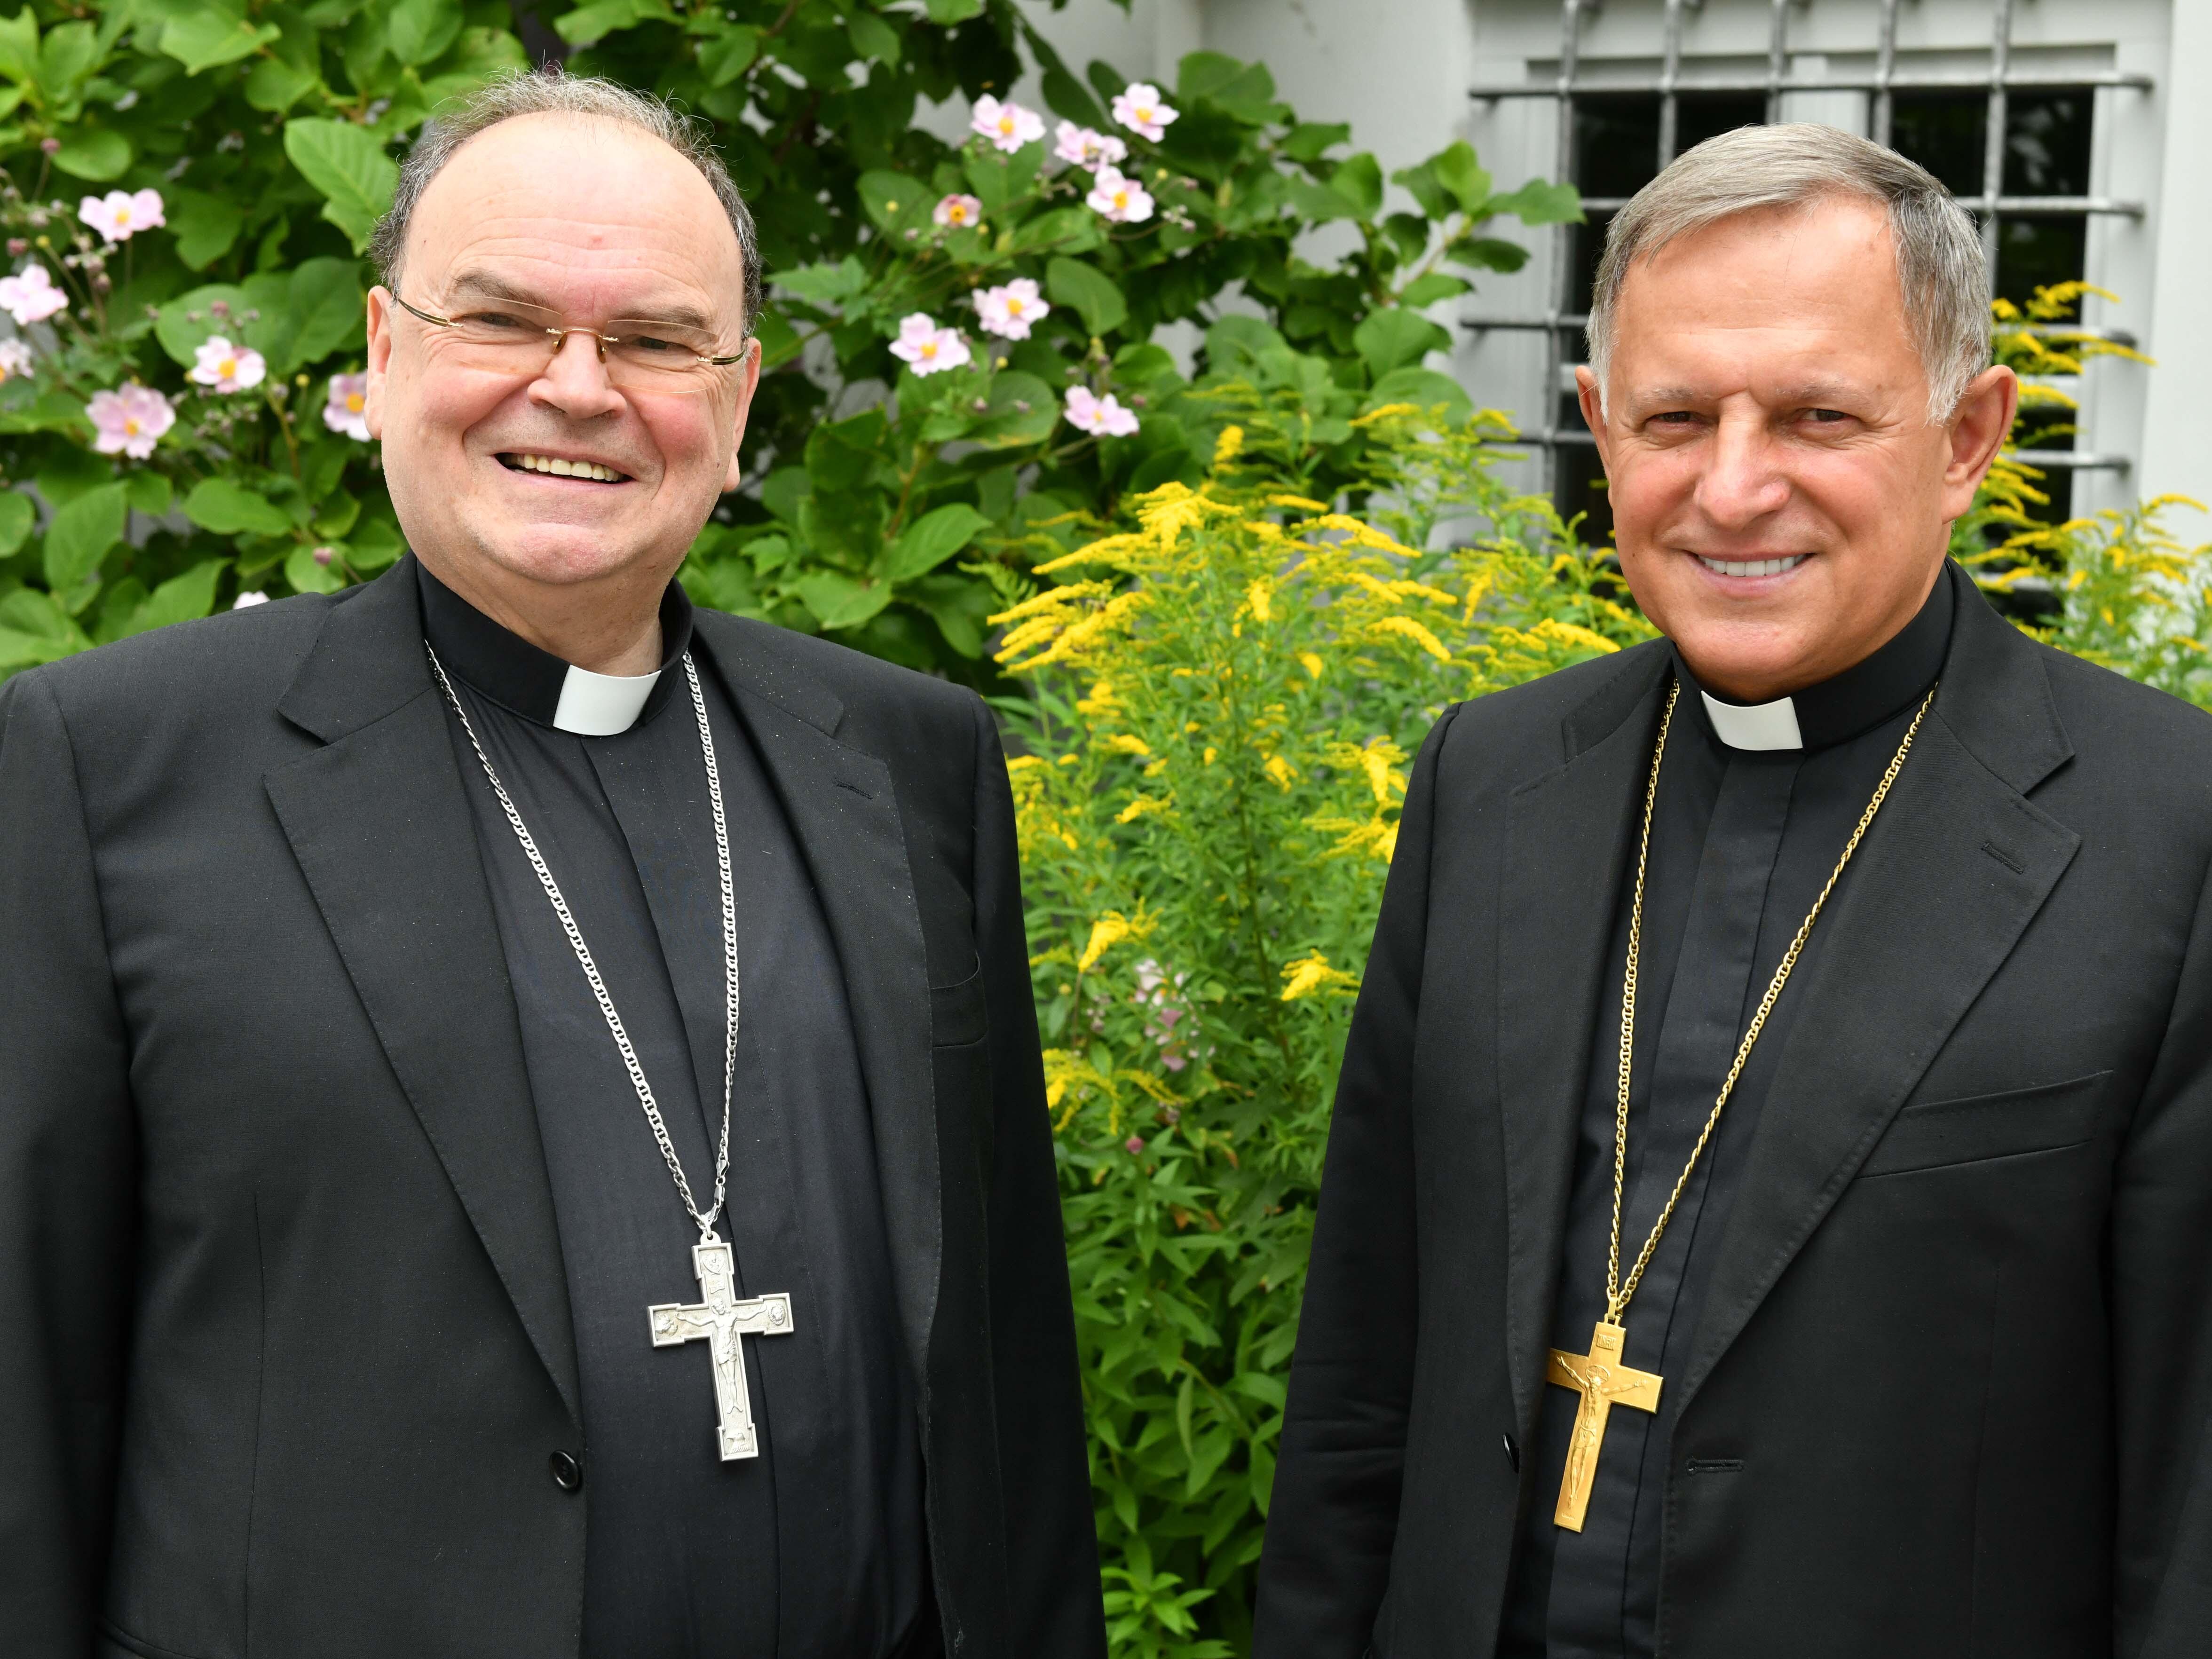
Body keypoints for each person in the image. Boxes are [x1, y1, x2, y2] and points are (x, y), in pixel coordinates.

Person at [0, 71, 1103, 1659]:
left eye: (654, 341)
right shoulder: (110, 770)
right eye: (503, 320)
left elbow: (1006, 1381)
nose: (577, 389)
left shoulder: (907, 757)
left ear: (737, 400)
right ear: (385, 352)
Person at [1252, 123, 2212, 1657]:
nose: (1736, 486)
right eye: (1677, 417)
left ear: (1968, 437)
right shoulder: (1493, 780)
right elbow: (1365, 1374)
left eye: (1820, 415)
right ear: (1599, 427)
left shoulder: (2172, 829)